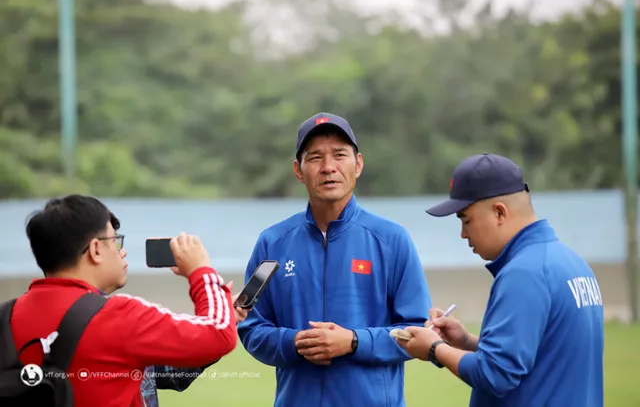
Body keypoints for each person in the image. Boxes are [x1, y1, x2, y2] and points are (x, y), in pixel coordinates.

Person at [237, 112, 432, 407]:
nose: (328, 167)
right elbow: (250, 325)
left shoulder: (392, 240)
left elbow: (417, 329)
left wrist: (354, 341)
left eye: (339, 155)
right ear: (298, 170)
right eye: (315, 157)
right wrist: (295, 342)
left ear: (359, 164)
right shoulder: (271, 244)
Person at [395, 153, 604, 407]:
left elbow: (496, 375)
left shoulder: (525, 272)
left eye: (466, 219)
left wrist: (434, 348)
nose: (463, 233)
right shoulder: (572, 263)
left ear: (500, 212)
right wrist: (466, 342)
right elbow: (534, 356)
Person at [6, 194, 242, 407]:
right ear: (96, 249)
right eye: (116, 241)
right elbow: (217, 334)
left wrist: (225, 313)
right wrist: (200, 271)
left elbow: (162, 372)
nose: (123, 251)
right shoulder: (119, 315)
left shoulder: (7, 316)